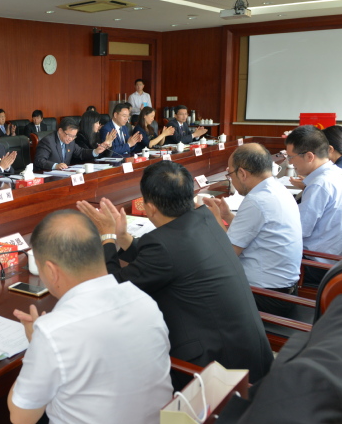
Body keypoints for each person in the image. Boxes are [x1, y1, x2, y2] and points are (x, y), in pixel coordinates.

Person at [0, 210, 172, 424]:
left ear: (51, 271)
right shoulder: (144, 302)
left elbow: (21, 418)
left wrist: (36, 346)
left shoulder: (55, 332)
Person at [76, 161, 273, 388]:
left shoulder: (163, 245)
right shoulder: (205, 219)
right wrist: (122, 237)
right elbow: (167, 259)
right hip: (250, 354)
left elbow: (113, 291)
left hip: (216, 371)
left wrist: (107, 236)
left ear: (150, 207)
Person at [203, 144, 302, 317]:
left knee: (193, 289)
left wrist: (216, 218)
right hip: (284, 291)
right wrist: (226, 216)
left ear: (242, 173)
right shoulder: (277, 189)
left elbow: (227, 254)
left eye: (230, 174)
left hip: (267, 297)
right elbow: (255, 231)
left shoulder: (257, 200)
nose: (231, 179)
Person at [285, 125, 342, 285]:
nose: (289, 162)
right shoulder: (340, 173)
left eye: (291, 157)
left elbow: (298, 231)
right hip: (336, 258)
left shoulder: (320, 184)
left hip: (315, 265)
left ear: (309, 156)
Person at [33, 117, 111, 172]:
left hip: (64, 175)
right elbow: (39, 160)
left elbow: (81, 152)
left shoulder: (71, 142)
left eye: (74, 136)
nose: (71, 139)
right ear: (60, 131)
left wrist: (96, 151)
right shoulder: (48, 141)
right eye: (69, 135)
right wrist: (55, 166)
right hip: (48, 176)